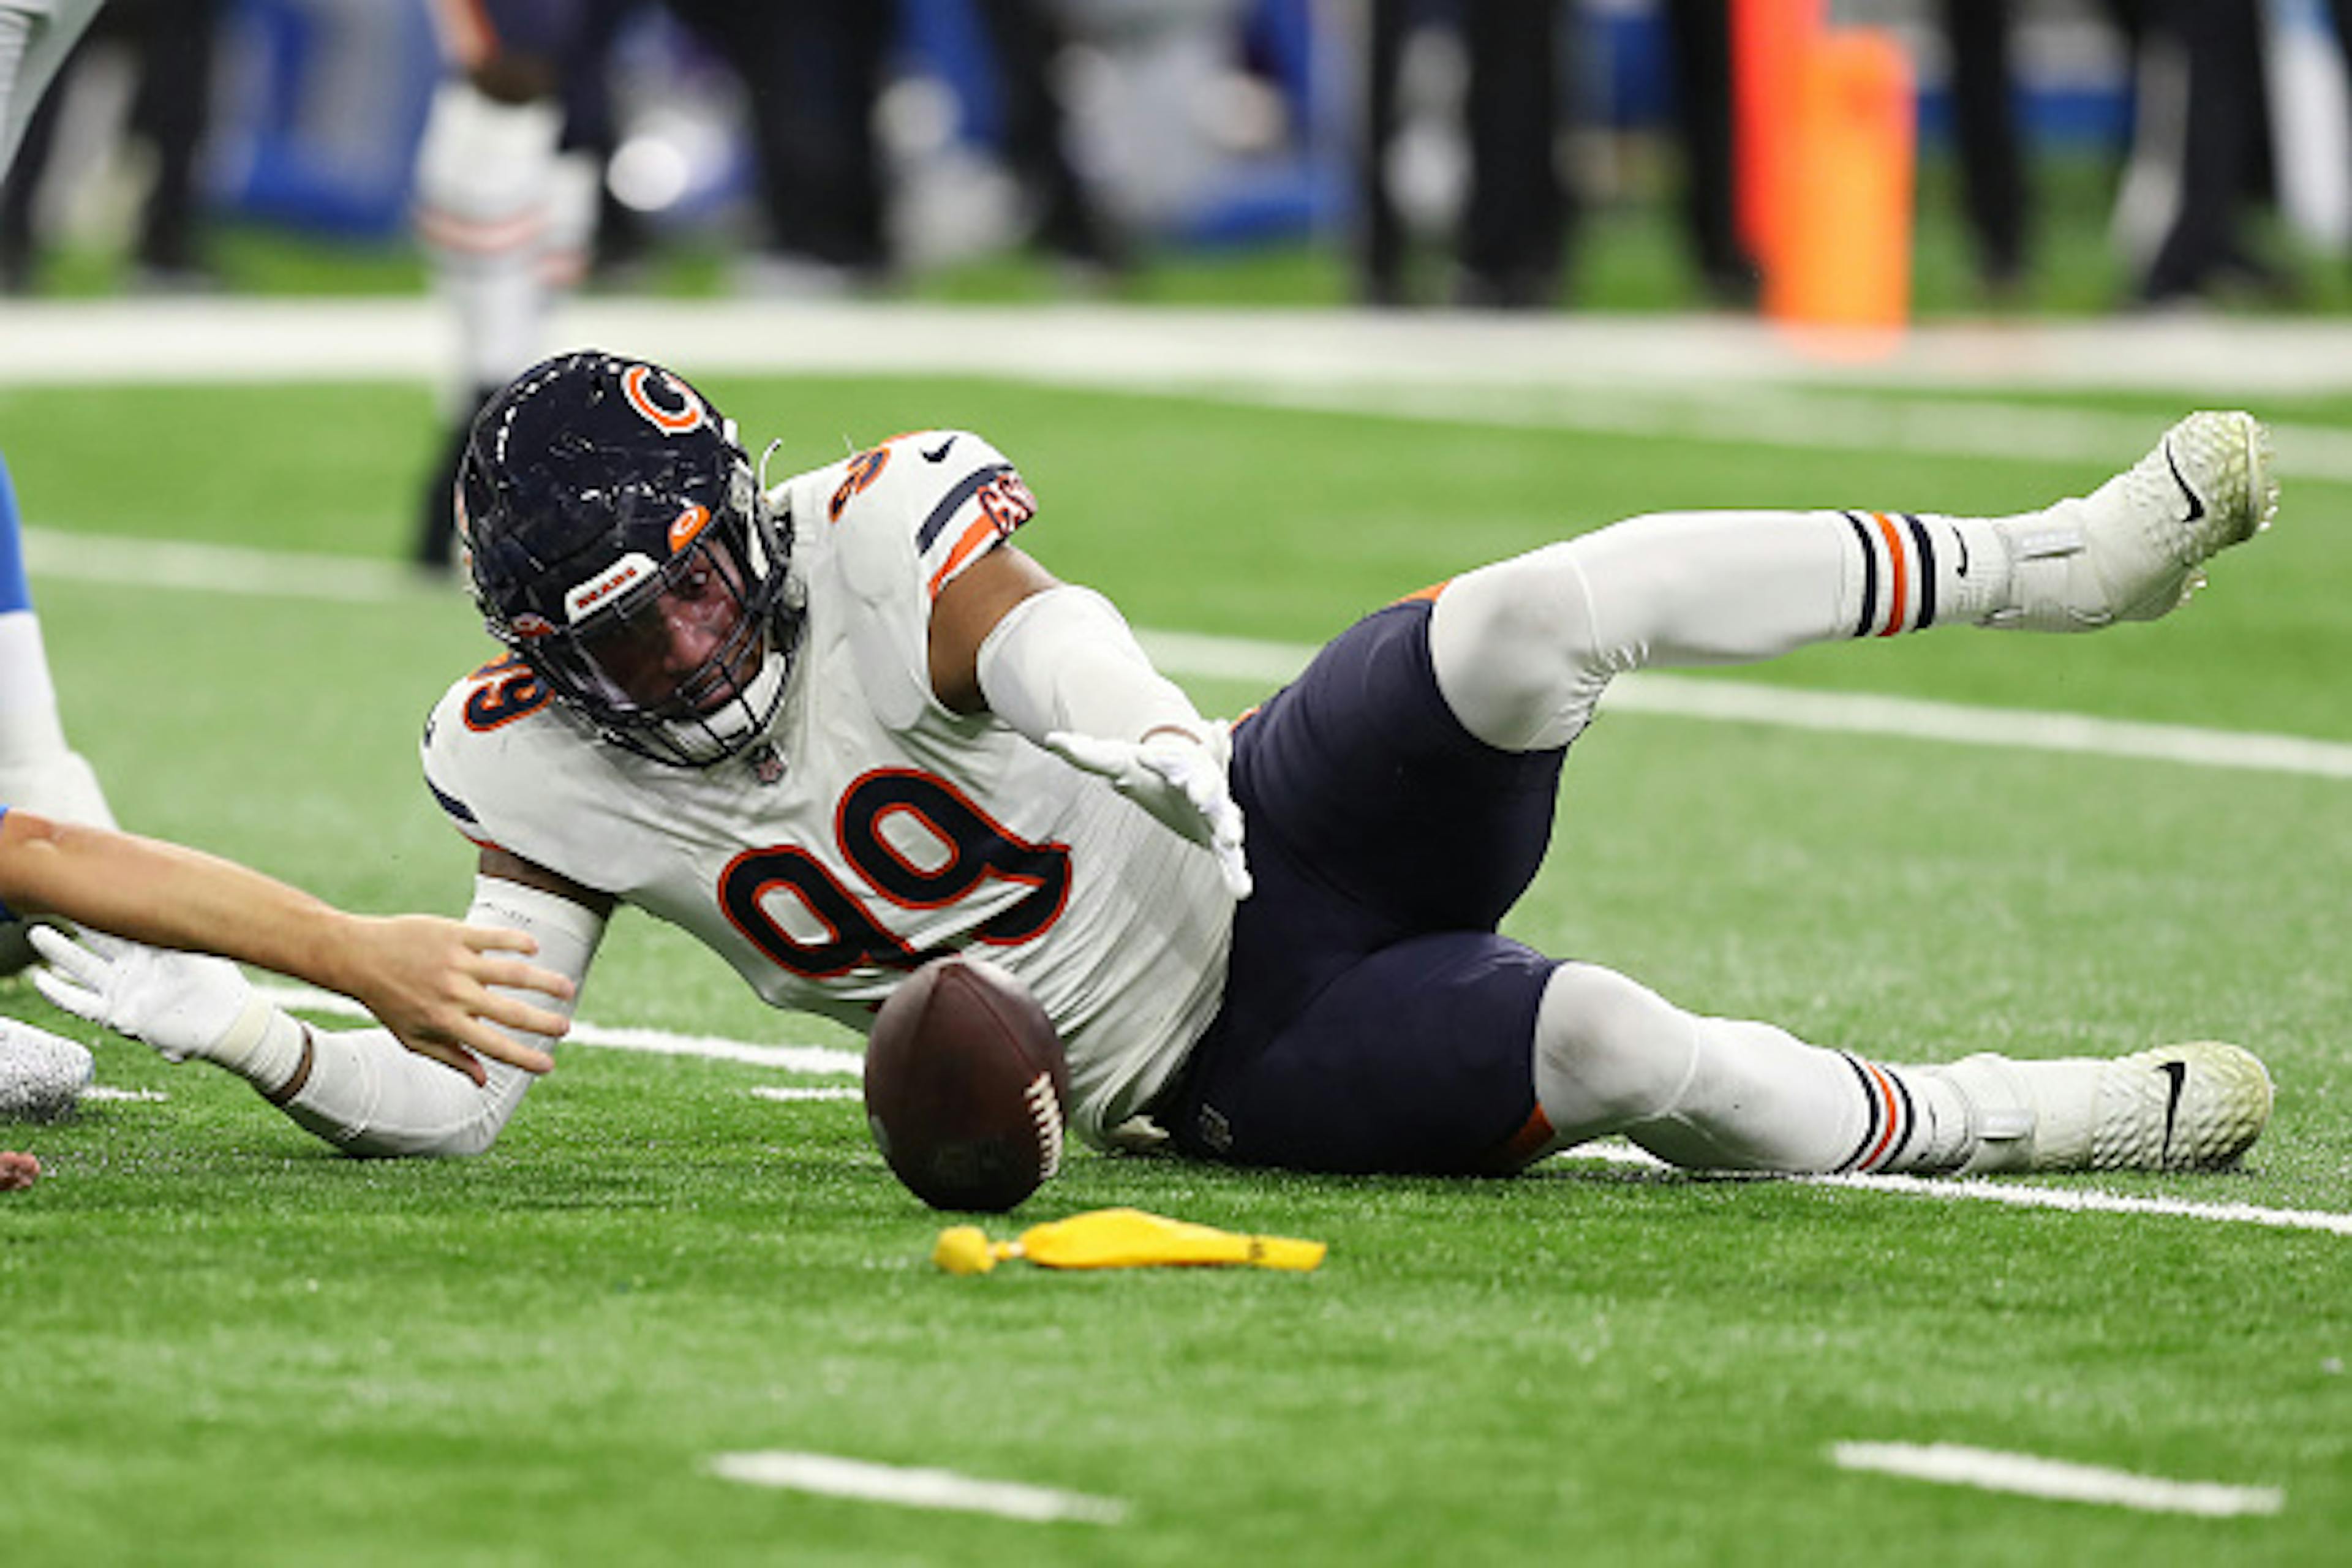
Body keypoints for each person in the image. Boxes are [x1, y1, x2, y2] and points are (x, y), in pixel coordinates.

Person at [36, 352, 2280, 1180]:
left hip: (1257, 812)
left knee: (1531, 611)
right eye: (635, 637)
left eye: (704, 584)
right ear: (543, 665)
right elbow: (459, 1096)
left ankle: (2055, 565)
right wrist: (249, 1029)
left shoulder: (869, 529)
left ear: (743, 512)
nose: (698, 647)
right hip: (1221, 1056)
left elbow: (1035, 633)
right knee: (1613, 1042)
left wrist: (1138, 737)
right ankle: (2002, 1116)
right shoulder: (533, 775)